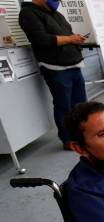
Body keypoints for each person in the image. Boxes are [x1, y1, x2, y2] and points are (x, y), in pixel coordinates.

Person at [19, 0, 87, 150]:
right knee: (64, 105)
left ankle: (83, 135)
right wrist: (71, 39)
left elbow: (67, 35)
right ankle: (68, 139)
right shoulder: (28, 13)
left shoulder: (56, 15)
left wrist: (76, 38)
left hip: (74, 64)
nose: (56, 2)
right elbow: (41, 39)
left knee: (81, 105)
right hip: (55, 67)